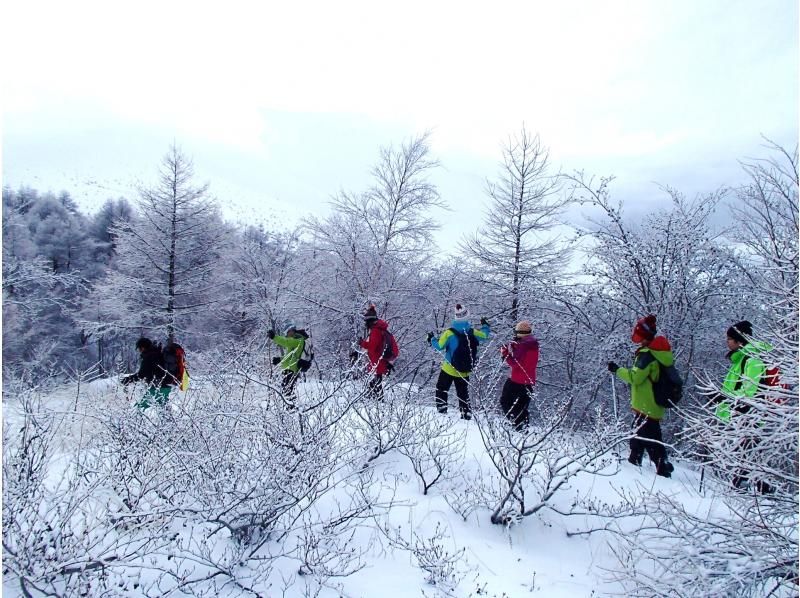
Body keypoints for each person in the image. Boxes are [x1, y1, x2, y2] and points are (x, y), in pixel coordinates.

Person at [608, 314, 675, 478]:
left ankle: (662, 467)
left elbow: (635, 377)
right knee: (638, 433)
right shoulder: (660, 353)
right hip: (652, 404)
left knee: (650, 438)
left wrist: (617, 370)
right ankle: (634, 459)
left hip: (647, 404)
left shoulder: (647, 355)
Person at [712, 320, 774, 494]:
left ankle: (746, 486)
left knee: (748, 451)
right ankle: (759, 488)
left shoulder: (752, 358)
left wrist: (729, 401)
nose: (727, 342)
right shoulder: (742, 359)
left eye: (730, 338)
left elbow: (750, 388)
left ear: (740, 340)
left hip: (749, 413)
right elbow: (736, 386)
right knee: (749, 452)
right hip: (744, 413)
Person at [427, 304, 490, 420]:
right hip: (465, 371)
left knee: (441, 388)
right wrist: (485, 325)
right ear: (467, 317)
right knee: (463, 394)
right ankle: (466, 415)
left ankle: (442, 412)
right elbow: (485, 336)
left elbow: (440, 346)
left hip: (449, 368)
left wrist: (432, 339)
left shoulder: (449, 333)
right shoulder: (473, 332)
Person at [499, 320, 539, 430]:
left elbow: (514, 363)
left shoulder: (523, 346)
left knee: (505, 402)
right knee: (522, 408)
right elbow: (525, 360)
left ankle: (515, 425)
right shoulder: (533, 345)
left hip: (516, 381)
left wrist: (505, 353)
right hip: (529, 382)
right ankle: (524, 431)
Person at [358, 304, 398, 401]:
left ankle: (377, 401)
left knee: (375, 381)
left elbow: (373, 346)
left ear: (369, 321)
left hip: (378, 360)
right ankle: (375, 400)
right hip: (382, 359)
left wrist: (362, 343)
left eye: (366, 321)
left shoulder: (376, 331)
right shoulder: (381, 329)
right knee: (376, 381)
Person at [122, 337, 172, 409]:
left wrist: (128, 380)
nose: (139, 351)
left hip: (157, 387)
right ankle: (171, 420)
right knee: (163, 408)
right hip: (166, 385)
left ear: (143, 347)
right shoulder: (157, 353)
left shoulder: (149, 356)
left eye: (139, 348)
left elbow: (141, 374)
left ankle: (132, 419)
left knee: (140, 407)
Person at [268, 325, 305, 405]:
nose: (286, 335)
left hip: (292, 370)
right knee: (286, 390)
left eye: (287, 332)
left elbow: (286, 342)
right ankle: (291, 408)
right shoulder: (295, 342)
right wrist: (280, 359)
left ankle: (292, 408)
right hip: (288, 369)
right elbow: (290, 357)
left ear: (292, 331)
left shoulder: (298, 340)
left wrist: (274, 337)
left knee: (287, 391)